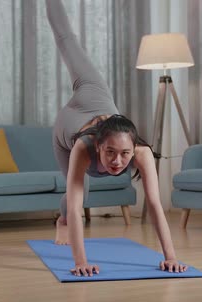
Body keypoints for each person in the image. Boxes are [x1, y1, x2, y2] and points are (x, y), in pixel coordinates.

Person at [47, 0, 187, 277]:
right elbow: (77, 208)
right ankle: (60, 221)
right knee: (67, 39)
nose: (117, 162)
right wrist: (80, 262)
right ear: (99, 146)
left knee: (84, 193)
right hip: (69, 123)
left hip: (97, 96)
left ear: (134, 148)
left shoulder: (142, 153)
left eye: (124, 154)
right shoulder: (82, 147)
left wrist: (170, 256)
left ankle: (60, 220)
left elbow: (156, 205)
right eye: (110, 152)